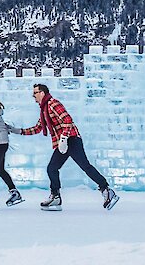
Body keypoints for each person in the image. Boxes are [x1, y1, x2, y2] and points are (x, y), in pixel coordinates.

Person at [15, 83, 119, 211]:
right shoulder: (44, 109)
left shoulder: (53, 104)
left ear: (42, 93)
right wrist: (18, 131)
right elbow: (38, 128)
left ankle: (107, 190)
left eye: (35, 93)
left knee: (85, 166)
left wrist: (63, 138)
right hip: (63, 142)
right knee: (52, 168)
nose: (33, 96)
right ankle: (56, 196)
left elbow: (67, 120)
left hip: (71, 140)